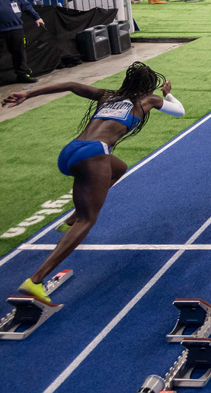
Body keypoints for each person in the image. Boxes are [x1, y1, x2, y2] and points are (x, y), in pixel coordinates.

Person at [2, 63, 184, 301]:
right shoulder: (147, 101)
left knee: (119, 168)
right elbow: (179, 111)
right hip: (94, 155)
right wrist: (167, 93)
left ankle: (71, 218)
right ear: (146, 88)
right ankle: (35, 280)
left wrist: (28, 93)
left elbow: (70, 85)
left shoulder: (106, 95)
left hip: (71, 151)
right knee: (89, 220)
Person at [0, 0, 45, 83]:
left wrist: (36, 17)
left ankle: (23, 75)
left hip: (15, 28)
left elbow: (25, 5)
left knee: (19, 53)